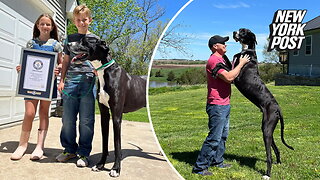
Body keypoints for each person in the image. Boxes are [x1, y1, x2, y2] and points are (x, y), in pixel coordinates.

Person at [192, 35, 250, 175]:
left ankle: (217, 161)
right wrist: (241, 64)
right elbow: (229, 77)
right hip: (217, 105)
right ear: (214, 46)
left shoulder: (222, 59)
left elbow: (233, 70)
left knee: (223, 136)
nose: (225, 45)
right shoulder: (213, 61)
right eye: (222, 43)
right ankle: (200, 167)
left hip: (225, 103)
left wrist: (243, 51)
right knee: (214, 137)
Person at [11, 14, 63, 161]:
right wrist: (21, 68)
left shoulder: (55, 45)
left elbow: (61, 62)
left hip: (47, 84)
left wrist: (57, 69)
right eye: (42, 24)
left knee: (43, 113)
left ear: (52, 27)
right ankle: (22, 145)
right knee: (29, 113)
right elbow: (26, 61)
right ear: (37, 26)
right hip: (30, 84)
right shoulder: (31, 43)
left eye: (48, 24)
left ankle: (39, 146)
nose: (45, 27)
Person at [55, 4, 99, 167]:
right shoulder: (70, 39)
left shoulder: (95, 39)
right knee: (67, 119)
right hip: (70, 83)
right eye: (79, 20)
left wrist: (97, 71)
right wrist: (61, 80)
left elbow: (100, 60)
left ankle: (84, 153)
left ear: (90, 20)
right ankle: (69, 149)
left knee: (86, 120)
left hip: (88, 82)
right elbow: (65, 61)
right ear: (74, 21)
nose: (82, 22)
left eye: (84, 20)